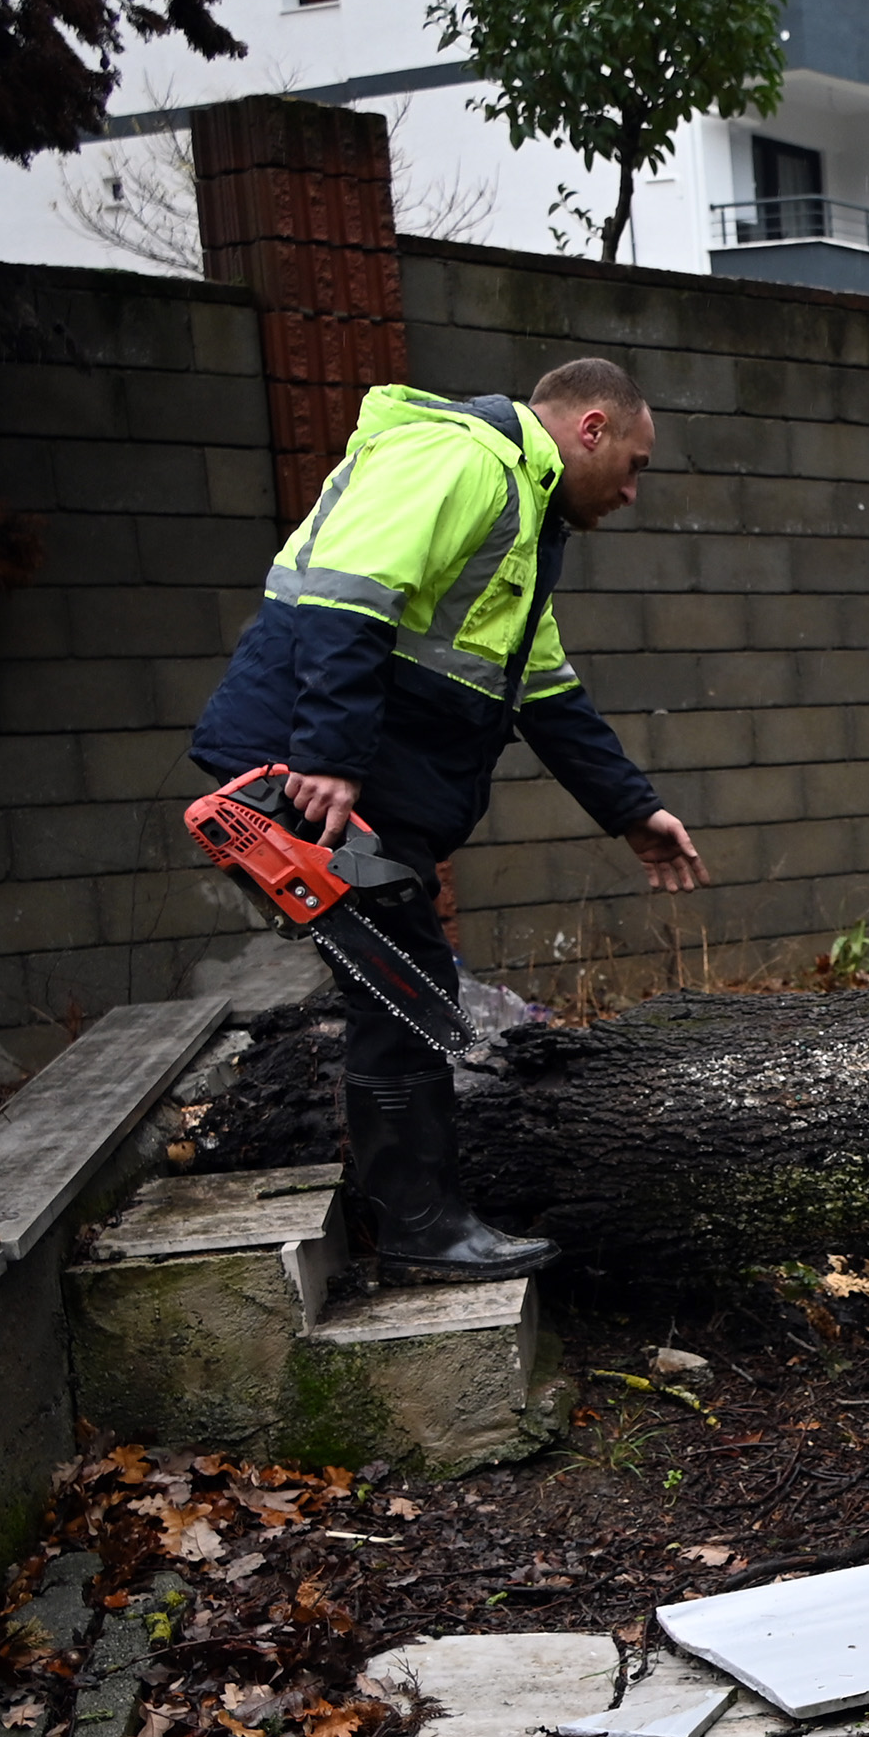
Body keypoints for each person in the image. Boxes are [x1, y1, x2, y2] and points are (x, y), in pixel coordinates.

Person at [187, 358, 708, 1282]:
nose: (632, 490)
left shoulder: (523, 516)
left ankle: (421, 1217)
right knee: (406, 992)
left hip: (352, 777)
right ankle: (424, 1230)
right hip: (301, 778)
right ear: (591, 428)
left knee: (403, 990)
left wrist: (632, 809)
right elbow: (348, 594)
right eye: (632, 463)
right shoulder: (461, 459)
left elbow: (541, 685)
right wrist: (330, 757)